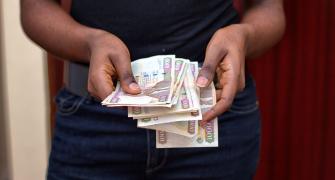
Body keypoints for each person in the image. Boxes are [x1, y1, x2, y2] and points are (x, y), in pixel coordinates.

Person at [20, 0, 285, 179]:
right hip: (95, 118)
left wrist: (245, 36)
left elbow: (269, 7)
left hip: (212, 116)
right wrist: (90, 42)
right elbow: (35, 8)